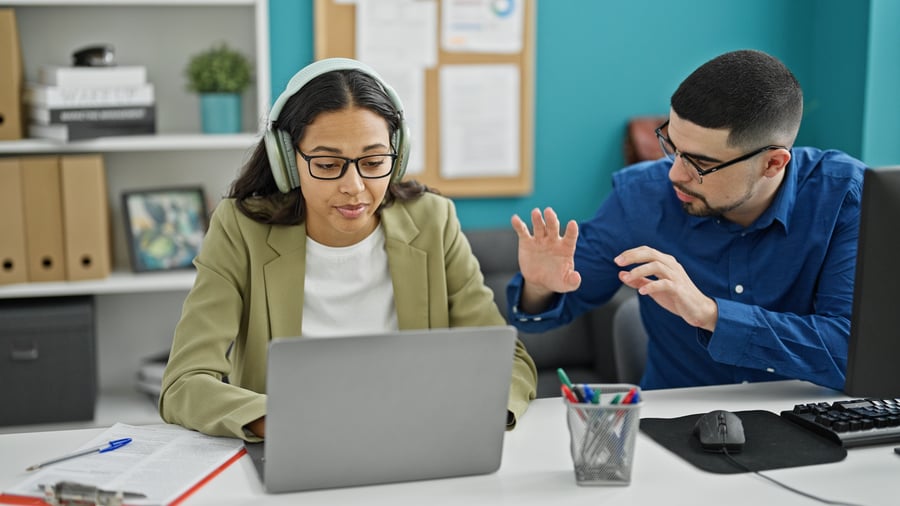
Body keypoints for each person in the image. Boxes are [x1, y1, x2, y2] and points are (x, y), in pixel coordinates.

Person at [159, 58, 537, 441]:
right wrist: (283, 425)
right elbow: (185, 382)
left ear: (398, 154)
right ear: (288, 161)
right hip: (296, 445)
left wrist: (479, 415)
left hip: (417, 443)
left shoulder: (432, 221)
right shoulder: (241, 229)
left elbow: (508, 360)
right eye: (327, 164)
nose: (354, 186)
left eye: (373, 162)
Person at [508, 49, 866, 392]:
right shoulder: (640, 197)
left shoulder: (845, 198)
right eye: (672, 146)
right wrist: (540, 288)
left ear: (773, 163)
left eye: (701, 163)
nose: (675, 174)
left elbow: (853, 352)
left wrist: (711, 314)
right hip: (675, 427)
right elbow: (547, 312)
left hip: (809, 421)